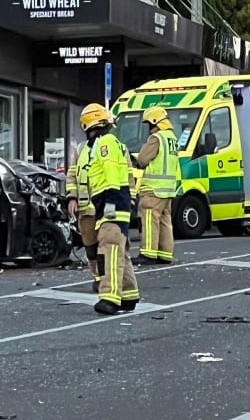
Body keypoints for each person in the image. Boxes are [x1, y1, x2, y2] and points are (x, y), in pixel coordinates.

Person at [79, 103, 140, 315]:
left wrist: (110, 206)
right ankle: (129, 294)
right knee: (119, 250)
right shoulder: (106, 143)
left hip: (111, 203)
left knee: (109, 250)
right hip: (112, 203)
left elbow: (112, 176)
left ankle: (110, 297)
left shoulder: (105, 143)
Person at [132, 106, 180, 266]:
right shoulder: (172, 138)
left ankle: (148, 253)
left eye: (148, 124)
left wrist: (136, 161)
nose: (149, 128)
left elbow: (143, 159)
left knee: (149, 219)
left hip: (153, 189)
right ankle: (165, 254)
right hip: (168, 189)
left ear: (155, 122)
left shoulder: (156, 138)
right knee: (165, 221)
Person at [66, 139, 100, 292]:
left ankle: (109, 280)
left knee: (108, 246)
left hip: (106, 208)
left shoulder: (114, 146)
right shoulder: (81, 148)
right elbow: (72, 174)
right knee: (90, 246)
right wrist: (72, 197)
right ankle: (98, 277)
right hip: (86, 208)